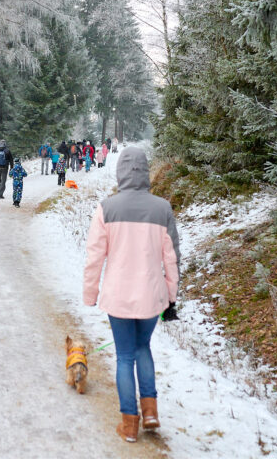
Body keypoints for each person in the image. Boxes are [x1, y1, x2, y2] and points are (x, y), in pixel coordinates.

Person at [82, 147, 180, 444]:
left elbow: (94, 257)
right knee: (143, 349)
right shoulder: (162, 208)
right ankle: (150, 412)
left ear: (121, 172)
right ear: (146, 172)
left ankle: (129, 424)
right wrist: (172, 297)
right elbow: (172, 257)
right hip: (151, 296)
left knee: (125, 356)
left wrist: (90, 294)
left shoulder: (107, 208)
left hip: (119, 297)